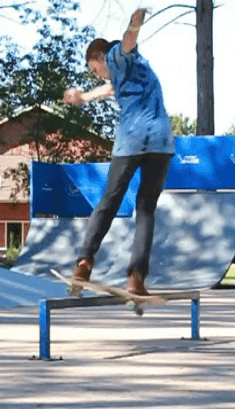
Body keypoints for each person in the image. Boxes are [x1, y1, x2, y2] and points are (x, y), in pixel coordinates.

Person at [63, 8, 174, 296]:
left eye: (94, 70)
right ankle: (137, 277)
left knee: (109, 201)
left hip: (133, 139)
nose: (98, 75)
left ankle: (85, 261)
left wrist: (134, 26)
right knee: (146, 208)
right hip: (161, 142)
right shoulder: (135, 69)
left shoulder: (116, 56)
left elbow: (126, 43)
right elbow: (107, 90)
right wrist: (82, 97)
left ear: (100, 58)